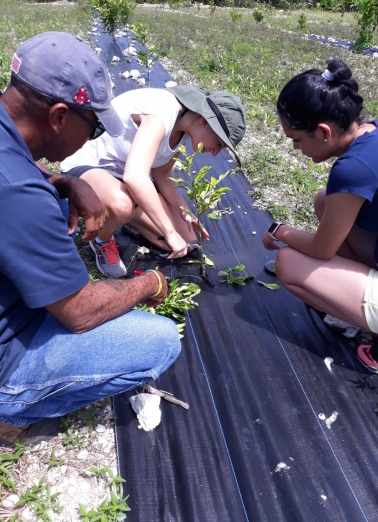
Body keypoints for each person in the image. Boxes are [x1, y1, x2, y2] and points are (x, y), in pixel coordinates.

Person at [0, 32, 181, 446]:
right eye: (95, 126)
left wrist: (62, 180)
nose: (95, 136)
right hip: (6, 359)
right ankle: (11, 408)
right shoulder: (19, 194)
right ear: (60, 117)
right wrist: (147, 283)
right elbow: (79, 314)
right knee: (159, 341)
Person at [262, 58, 378, 371]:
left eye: (297, 140)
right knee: (325, 201)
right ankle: (363, 295)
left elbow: (320, 249)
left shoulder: (352, 168)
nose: (297, 148)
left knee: (288, 264)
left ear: (324, 132)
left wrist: (279, 230)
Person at [60, 85, 246, 277]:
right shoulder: (163, 112)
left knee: (188, 240)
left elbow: (162, 173)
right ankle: (102, 240)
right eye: (219, 144)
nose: (216, 152)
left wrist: (185, 212)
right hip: (90, 165)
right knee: (123, 206)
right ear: (204, 122)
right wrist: (169, 232)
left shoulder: (184, 128)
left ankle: (122, 214)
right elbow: (135, 177)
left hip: (123, 177)